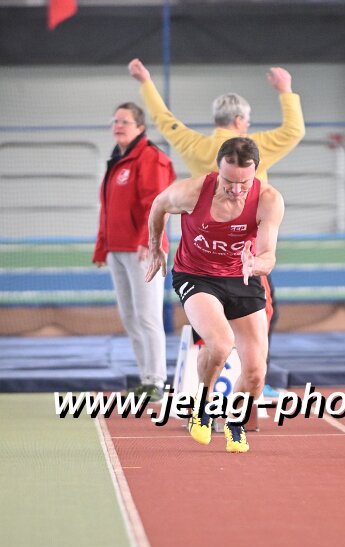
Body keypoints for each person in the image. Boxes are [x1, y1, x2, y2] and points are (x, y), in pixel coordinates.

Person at [128, 58, 305, 395]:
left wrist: (146, 83)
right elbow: (294, 131)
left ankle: (228, 377)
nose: (236, 187)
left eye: (243, 181)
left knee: (222, 339)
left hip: (220, 256)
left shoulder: (195, 144)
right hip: (222, 260)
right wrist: (286, 92)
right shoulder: (258, 147)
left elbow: (164, 120)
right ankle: (231, 386)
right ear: (240, 122)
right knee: (248, 325)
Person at [146, 137, 284, 453]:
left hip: (243, 276)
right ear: (218, 170)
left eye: (243, 183)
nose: (235, 190)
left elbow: (268, 256)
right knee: (220, 344)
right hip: (197, 275)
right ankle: (203, 405)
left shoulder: (269, 200)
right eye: (228, 182)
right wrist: (156, 246)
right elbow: (159, 205)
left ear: (255, 173)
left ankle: (235, 422)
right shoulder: (192, 192)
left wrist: (255, 264)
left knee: (256, 373)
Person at [93, 102, 176, 401]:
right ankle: (146, 379)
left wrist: (149, 240)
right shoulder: (117, 160)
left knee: (147, 316)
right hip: (118, 249)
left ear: (140, 127)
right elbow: (107, 209)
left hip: (143, 250)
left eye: (124, 121)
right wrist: (102, 247)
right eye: (115, 121)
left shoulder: (151, 158)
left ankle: (157, 381)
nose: (118, 126)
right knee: (130, 317)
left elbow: (157, 203)